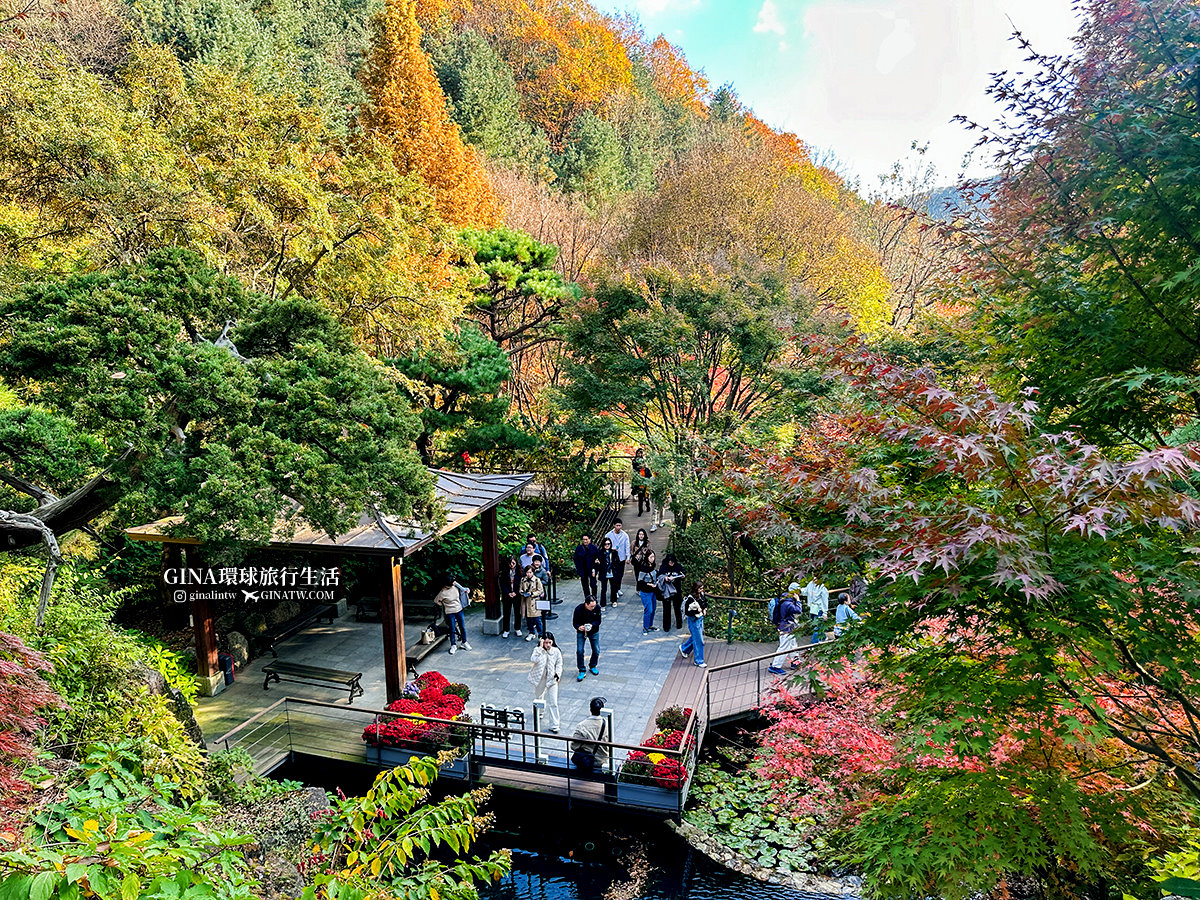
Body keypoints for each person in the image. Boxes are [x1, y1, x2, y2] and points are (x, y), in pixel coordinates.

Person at [528, 632, 563, 732]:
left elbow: (559, 664)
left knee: (554, 702)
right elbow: (533, 659)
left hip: (552, 679)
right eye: (546, 642)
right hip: (540, 679)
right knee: (539, 697)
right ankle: (540, 712)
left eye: (549, 642)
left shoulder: (556, 651)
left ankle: (555, 724)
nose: (548, 645)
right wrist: (540, 648)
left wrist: (558, 674)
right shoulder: (538, 651)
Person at [769, 583, 803, 674]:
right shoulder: (787, 603)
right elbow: (798, 611)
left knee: (792, 645)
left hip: (788, 626)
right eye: (798, 591)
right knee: (784, 647)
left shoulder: (786, 600)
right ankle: (775, 666)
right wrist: (798, 601)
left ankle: (795, 662)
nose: (800, 593)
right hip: (786, 628)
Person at [570, 696, 610, 774]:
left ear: (590, 710)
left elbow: (573, 746)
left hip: (586, 762)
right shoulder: (607, 725)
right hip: (602, 761)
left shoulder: (582, 726)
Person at [433, 575, 471, 654]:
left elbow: (464, 589)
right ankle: (453, 645)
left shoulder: (455, 586)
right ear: (448, 584)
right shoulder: (442, 593)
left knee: (462, 627)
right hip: (450, 612)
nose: (455, 582)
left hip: (459, 609)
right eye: (453, 582)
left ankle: (464, 642)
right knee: (452, 628)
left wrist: (467, 590)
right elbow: (436, 601)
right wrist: (443, 604)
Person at [573, 595, 601, 680]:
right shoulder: (578, 609)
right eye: (591, 606)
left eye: (594, 606)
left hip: (593, 631)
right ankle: (581, 669)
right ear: (586, 604)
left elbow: (598, 620)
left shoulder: (597, 608)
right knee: (580, 651)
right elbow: (575, 622)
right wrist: (579, 627)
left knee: (596, 650)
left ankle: (593, 665)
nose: (593, 608)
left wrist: (592, 625)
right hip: (582, 632)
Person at [680, 583, 708, 667]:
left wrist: (704, 609)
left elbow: (704, 603)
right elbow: (687, 612)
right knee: (699, 641)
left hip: (700, 619)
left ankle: (684, 648)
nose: (701, 590)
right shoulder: (690, 599)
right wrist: (697, 611)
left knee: (696, 637)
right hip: (694, 621)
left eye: (702, 588)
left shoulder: (701, 595)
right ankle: (698, 661)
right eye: (700, 588)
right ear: (696, 589)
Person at [657, 553, 685, 632]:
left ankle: (679, 623)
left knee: (677, 608)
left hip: (676, 591)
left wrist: (682, 576)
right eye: (670, 562)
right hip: (667, 591)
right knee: (666, 609)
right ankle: (666, 626)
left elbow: (682, 574)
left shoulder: (678, 567)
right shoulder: (664, 567)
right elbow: (659, 576)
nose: (671, 564)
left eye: (672, 562)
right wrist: (665, 578)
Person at [603, 519, 630, 599]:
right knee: (614, 575)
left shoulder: (625, 535)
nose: (618, 527)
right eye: (617, 525)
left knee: (620, 575)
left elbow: (627, 546)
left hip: (621, 558)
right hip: (612, 559)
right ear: (614, 526)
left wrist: (628, 557)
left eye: (620, 525)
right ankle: (614, 591)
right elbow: (605, 546)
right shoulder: (608, 535)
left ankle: (618, 588)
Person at [498, 555, 522, 638]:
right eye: (510, 563)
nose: (511, 565)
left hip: (517, 595)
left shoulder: (519, 571)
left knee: (517, 612)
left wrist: (516, 592)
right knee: (506, 613)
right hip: (507, 595)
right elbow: (502, 583)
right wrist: (508, 593)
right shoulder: (505, 571)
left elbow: (521, 584)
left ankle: (517, 628)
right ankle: (506, 630)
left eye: (513, 563)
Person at [637, 550, 660, 635]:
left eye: (653, 557)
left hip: (653, 591)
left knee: (653, 609)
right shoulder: (643, 568)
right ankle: (645, 627)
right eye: (651, 557)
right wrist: (649, 584)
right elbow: (640, 581)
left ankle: (650, 625)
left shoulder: (652, 566)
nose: (652, 559)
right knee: (648, 609)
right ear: (647, 557)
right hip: (646, 592)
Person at [520, 564, 545, 641]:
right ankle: (531, 633)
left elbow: (540, 590)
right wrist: (523, 593)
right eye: (527, 572)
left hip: (535, 602)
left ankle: (540, 634)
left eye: (530, 572)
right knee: (529, 619)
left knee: (538, 620)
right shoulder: (523, 580)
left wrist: (532, 594)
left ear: (533, 572)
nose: (528, 574)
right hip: (526, 602)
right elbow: (520, 589)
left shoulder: (537, 580)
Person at [594, 536, 620, 607]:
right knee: (603, 589)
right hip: (604, 573)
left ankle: (614, 600)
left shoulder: (614, 552)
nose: (607, 545)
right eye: (605, 544)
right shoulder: (600, 553)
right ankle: (603, 604)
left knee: (613, 588)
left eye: (608, 544)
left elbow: (618, 562)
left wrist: (617, 572)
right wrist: (598, 563)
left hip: (612, 572)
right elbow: (598, 565)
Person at [573, 533, 599, 602]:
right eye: (583, 539)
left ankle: (594, 597)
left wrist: (595, 569)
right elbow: (576, 559)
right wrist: (578, 569)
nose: (585, 541)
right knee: (585, 585)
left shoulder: (594, 548)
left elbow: (597, 559)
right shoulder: (579, 548)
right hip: (583, 569)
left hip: (591, 568)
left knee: (593, 584)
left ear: (590, 540)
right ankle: (587, 598)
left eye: (586, 539)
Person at [806, 579, 830, 644]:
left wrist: (825, 612)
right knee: (817, 625)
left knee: (817, 627)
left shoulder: (823, 588)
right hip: (813, 608)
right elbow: (806, 591)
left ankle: (813, 643)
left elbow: (825, 601)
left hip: (819, 609)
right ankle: (823, 637)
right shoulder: (811, 584)